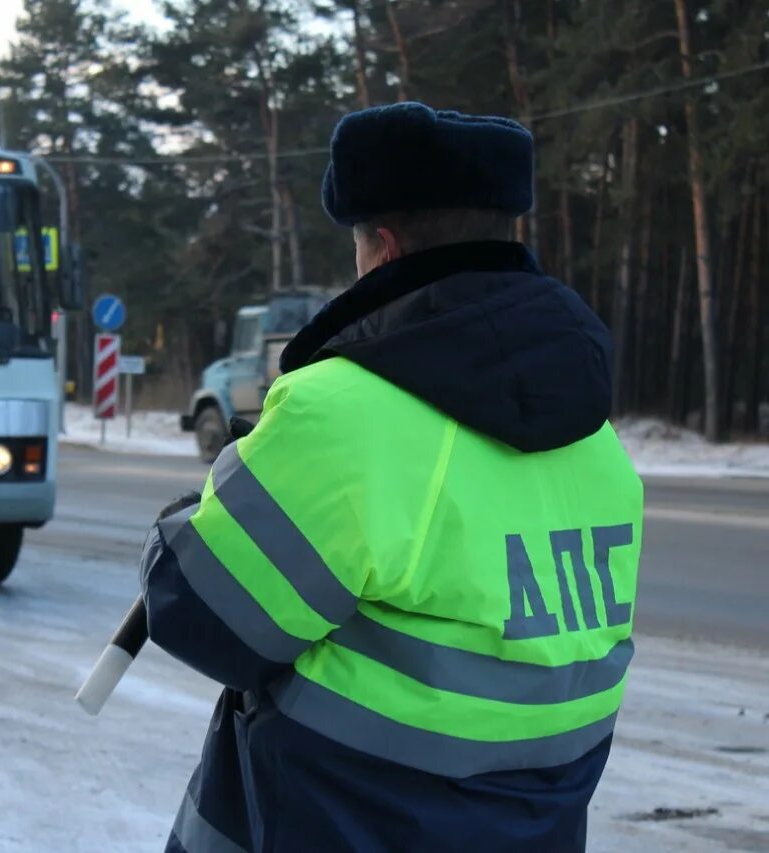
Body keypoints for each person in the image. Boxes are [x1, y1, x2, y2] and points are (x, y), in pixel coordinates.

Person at [139, 102, 642, 852]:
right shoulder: (596, 437)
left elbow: (204, 615)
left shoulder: (341, 409)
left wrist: (196, 513)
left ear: (381, 246)